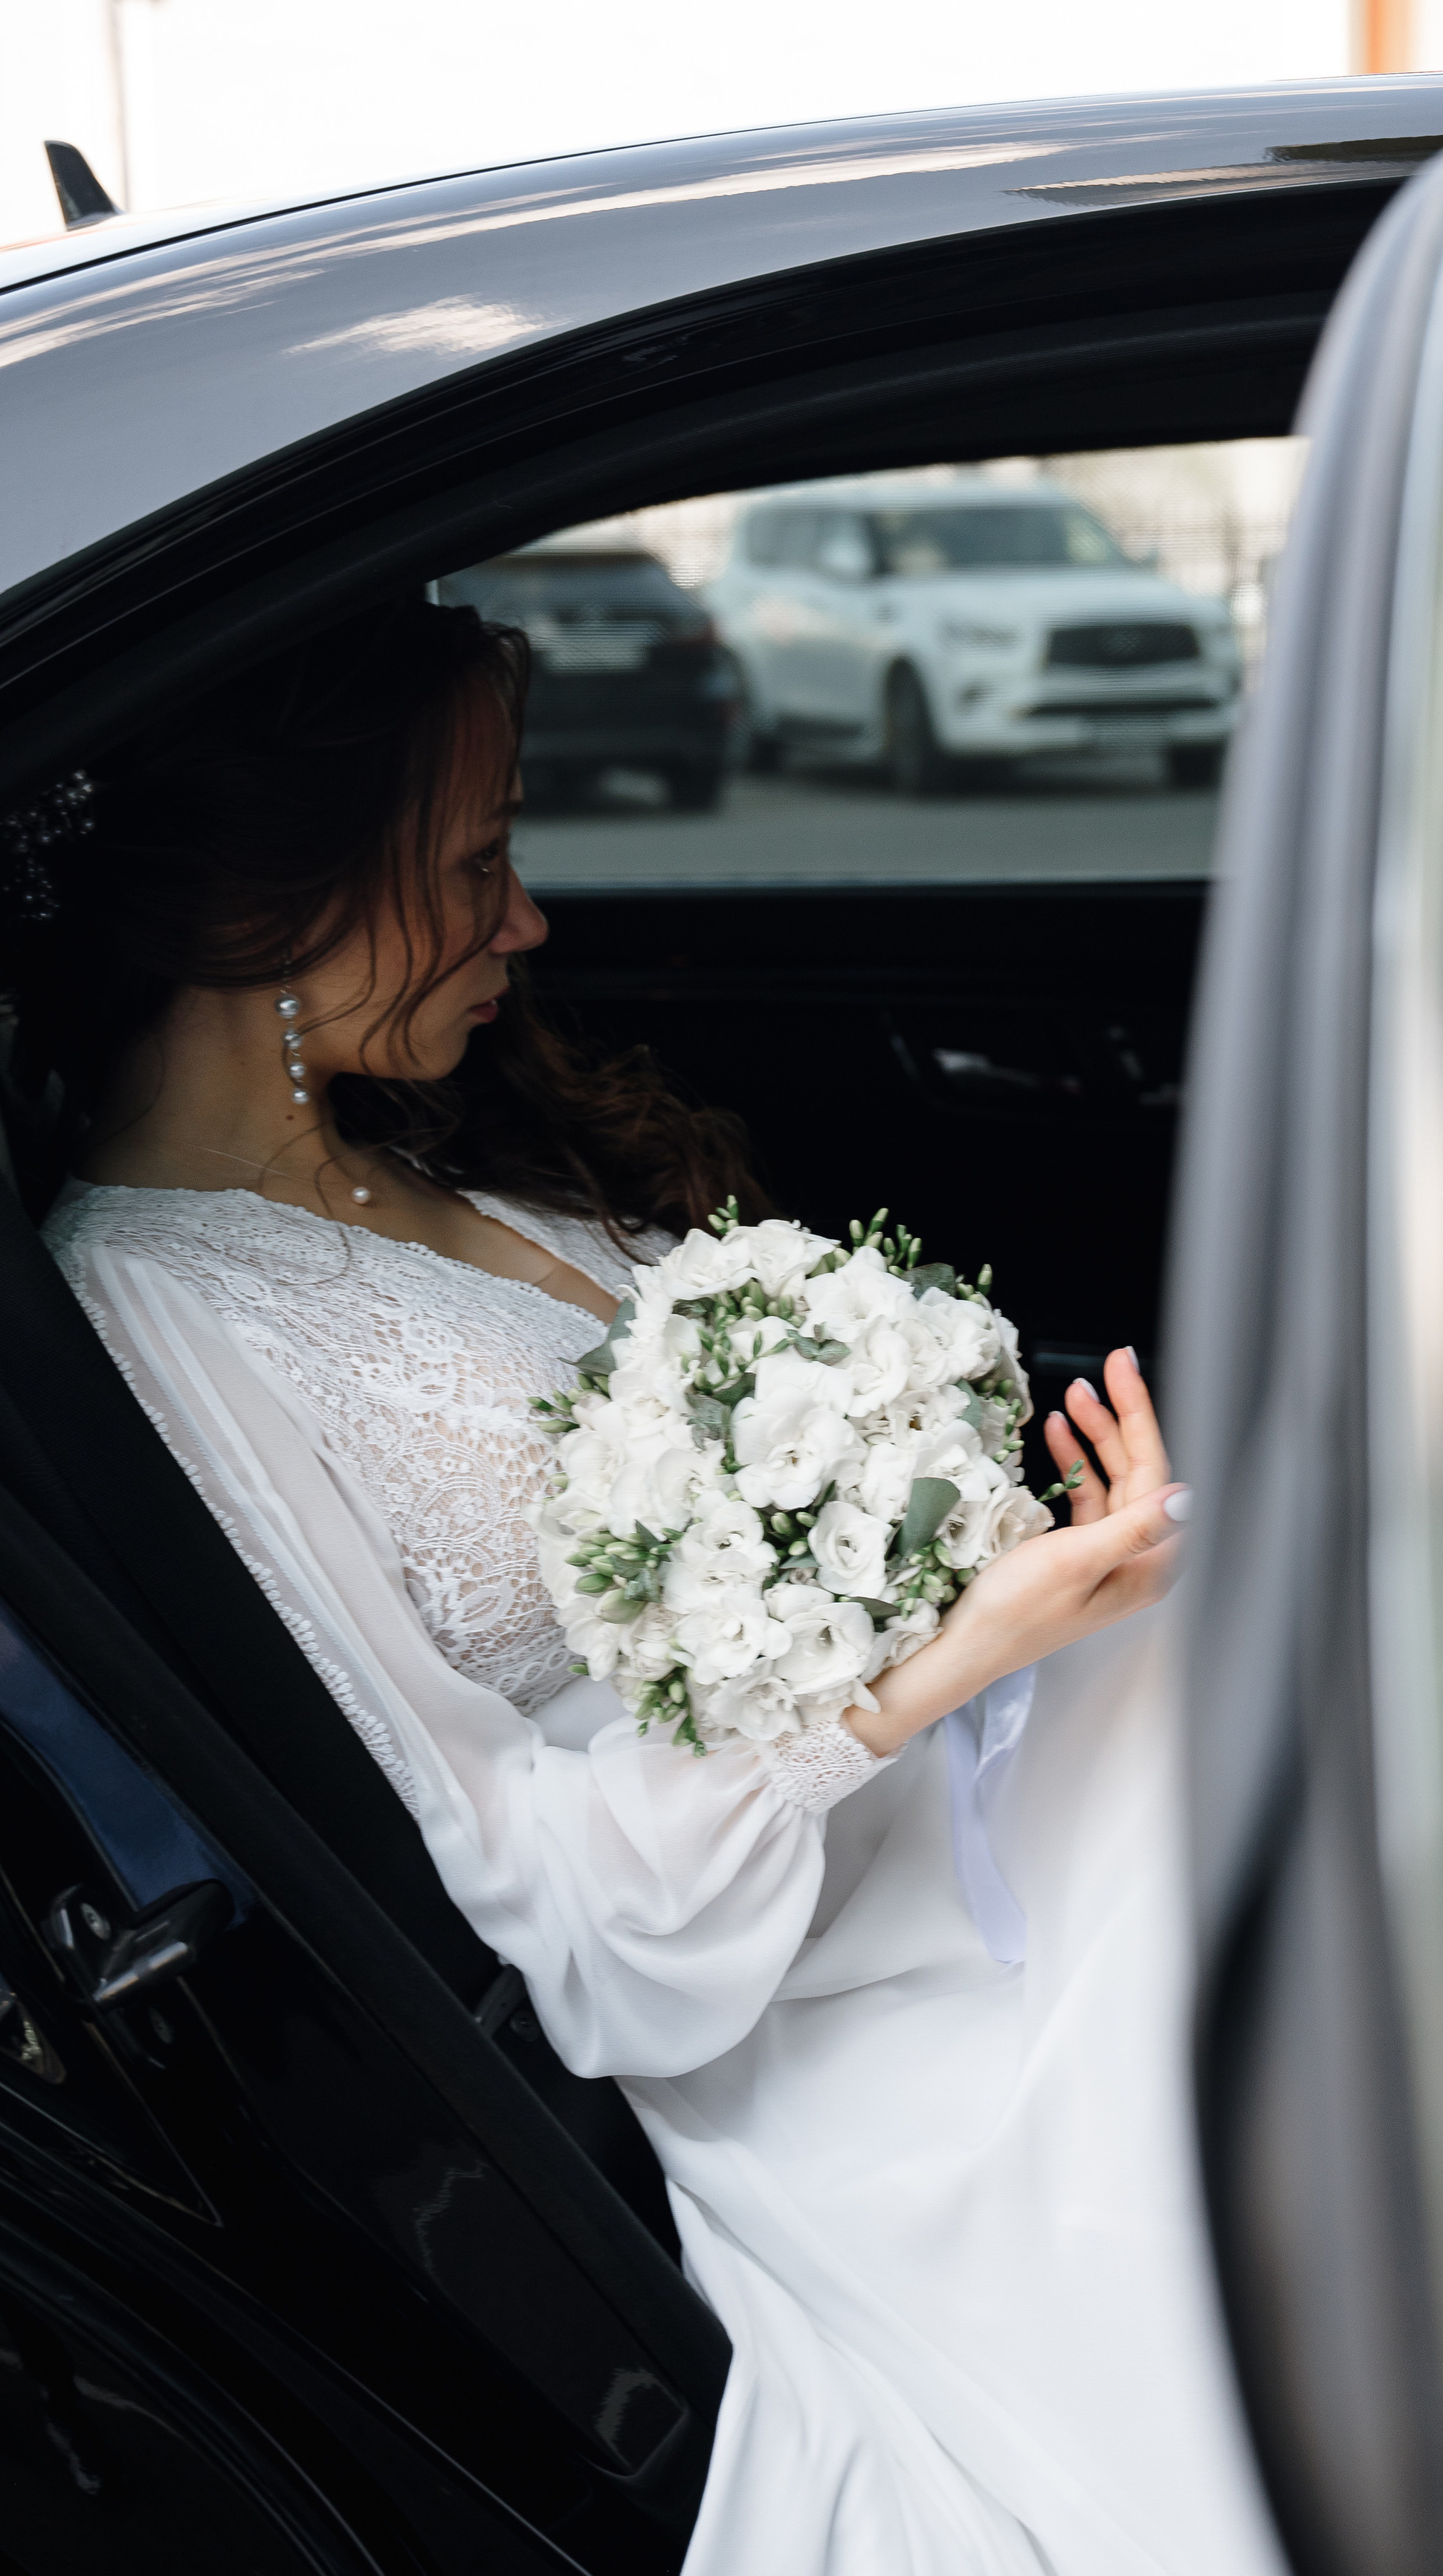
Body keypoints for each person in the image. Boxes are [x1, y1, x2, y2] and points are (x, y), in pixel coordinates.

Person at [15, 600, 1271, 2575]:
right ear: (287, 907)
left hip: (937, 1812)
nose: (527, 924)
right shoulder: (155, 1298)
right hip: (799, 1997)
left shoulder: (433, 1158)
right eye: (476, 866)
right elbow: (516, 1864)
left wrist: (1006, 1547)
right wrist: (931, 1671)